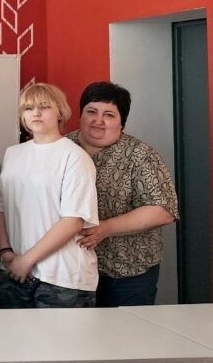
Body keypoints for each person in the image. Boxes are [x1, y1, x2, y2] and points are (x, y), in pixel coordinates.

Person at [68, 82, 178, 306]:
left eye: (109, 115)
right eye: (91, 111)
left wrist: (106, 228)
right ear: (81, 115)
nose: (98, 120)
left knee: (126, 329)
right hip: (70, 271)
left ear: (122, 121)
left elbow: (163, 210)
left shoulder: (140, 155)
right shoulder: (61, 148)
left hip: (127, 272)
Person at [0, 83, 98, 308]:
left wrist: (27, 260)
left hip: (62, 277)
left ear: (60, 112)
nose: (36, 113)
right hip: (13, 271)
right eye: (28, 108)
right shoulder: (12, 154)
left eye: (44, 107)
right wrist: (6, 253)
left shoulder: (74, 157)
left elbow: (72, 221)